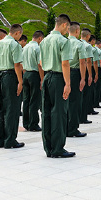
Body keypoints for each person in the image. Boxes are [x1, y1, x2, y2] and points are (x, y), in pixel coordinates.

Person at [40, 14, 75, 158]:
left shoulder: (44, 41)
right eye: (68, 28)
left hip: (47, 76)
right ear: (65, 25)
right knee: (59, 114)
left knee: (47, 113)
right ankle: (58, 148)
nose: (68, 31)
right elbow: (65, 63)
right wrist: (67, 83)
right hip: (59, 78)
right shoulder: (63, 41)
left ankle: (48, 147)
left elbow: (41, 63)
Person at [0, 24, 25, 149]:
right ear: (17, 33)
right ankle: (10, 140)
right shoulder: (14, 44)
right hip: (11, 77)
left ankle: (1, 139)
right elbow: (17, 65)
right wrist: (20, 81)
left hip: (1, 75)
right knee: (12, 109)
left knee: (1, 109)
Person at [67, 23, 87, 138]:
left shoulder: (63, 41)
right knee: (75, 102)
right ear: (77, 31)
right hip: (75, 73)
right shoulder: (79, 44)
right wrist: (83, 78)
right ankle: (73, 129)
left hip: (64, 73)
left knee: (65, 101)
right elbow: (82, 62)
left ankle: (65, 127)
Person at [22, 31, 45, 132]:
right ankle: (33, 123)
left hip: (26, 73)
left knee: (26, 99)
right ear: (40, 38)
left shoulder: (25, 47)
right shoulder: (37, 48)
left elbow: (21, 63)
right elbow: (39, 65)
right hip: (34, 74)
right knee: (34, 100)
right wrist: (42, 79)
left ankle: (26, 123)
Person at [80, 29, 95, 124]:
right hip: (83, 71)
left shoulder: (73, 42)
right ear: (88, 36)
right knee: (85, 96)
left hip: (72, 71)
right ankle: (82, 117)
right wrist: (89, 75)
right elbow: (88, 61)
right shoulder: (87, 46)